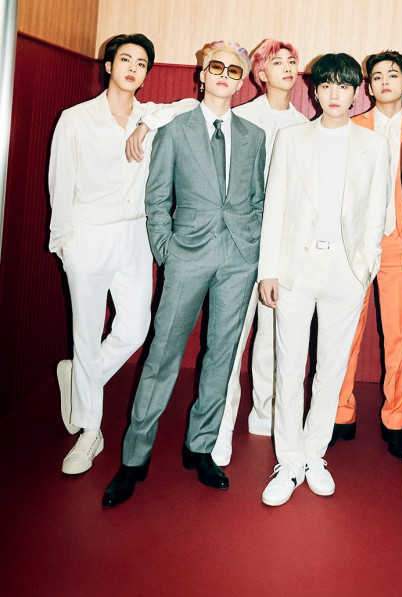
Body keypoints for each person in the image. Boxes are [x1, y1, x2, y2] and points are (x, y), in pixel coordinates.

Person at [102, 41, 265, 507]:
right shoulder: (174, 128)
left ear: (241, 81)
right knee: (162, 355)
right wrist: (167, 252)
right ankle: (134, 457)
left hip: (239, 259)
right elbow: (156, 199)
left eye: (234, 70)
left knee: (222, 355)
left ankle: (201, 447)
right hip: (187, 255)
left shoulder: (254, 136)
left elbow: (257, 197)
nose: (224, 75)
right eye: (216, 67)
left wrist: (252, 247)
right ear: (202, 74)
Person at [49, 33, 197, 475]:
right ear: (108, 66)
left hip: (135, 235)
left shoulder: (148, 115)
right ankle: (89, 431)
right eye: (125, 60)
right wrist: (66, 246)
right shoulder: (76, 119)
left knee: (135, 328)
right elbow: (60, 185)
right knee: (86, 332)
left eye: (141, 63)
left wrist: (147, 124)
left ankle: (80, 375)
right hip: (88, 235)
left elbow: (191, 105)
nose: (133, 68)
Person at [257, 53, 390, 506]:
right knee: (289, 367)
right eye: (327, 85)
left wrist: (365, 266)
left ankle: (314, 454)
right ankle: (289, 460)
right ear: (314, 91)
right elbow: (274, 206)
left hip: (346, 271)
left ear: (356, 93)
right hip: (296, 269)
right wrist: (269, 270)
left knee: (331, 370)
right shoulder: (291, 138)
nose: (335, 94)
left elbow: (377, 211)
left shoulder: (374, 145)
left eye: (344, 86)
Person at [211, 39, 308, 467]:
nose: (287, 67)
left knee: (272, 335)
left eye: (292, 61)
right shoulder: (241, 117)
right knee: (231, 338)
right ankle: (220, 426)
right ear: (260, 73)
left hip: (284, 247)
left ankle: (264, 413)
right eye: (277, 62)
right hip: (242, 243)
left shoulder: (305, 124)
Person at [329, 50, 402, 461]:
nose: (385, 81)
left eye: (393, 75)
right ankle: (340, 414)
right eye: (377, 76)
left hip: (400, 244)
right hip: (355, 245)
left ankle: (394, 420)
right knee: (345, 332)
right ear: (367, 86)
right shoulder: (351, 127)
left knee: (398, 337)